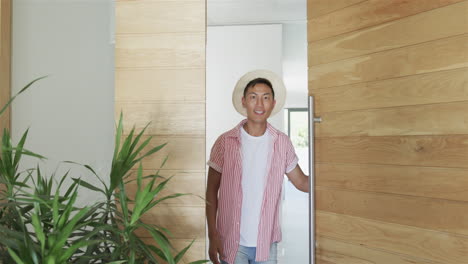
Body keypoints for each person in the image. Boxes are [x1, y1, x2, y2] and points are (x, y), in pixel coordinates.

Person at [206, 70, 309, 264]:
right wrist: (213, 236)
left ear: (273, 104)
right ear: (244, 101)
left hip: (266, 244)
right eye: (253, 97)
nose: (259, 104)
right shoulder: (225, 142)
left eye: (265, 98)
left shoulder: (282, 142)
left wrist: (335, 180)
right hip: (232, 243)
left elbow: (302, 182)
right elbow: (211, 192)